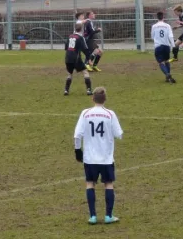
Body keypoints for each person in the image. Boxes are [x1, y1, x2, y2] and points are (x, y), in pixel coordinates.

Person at [74, 87, 123, 225]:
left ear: (92, 98)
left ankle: (93, 216)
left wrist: (78, 151)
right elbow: (119, 134)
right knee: (108, 184)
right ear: (105, 99)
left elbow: (77, 135)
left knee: (90, 183)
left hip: (90, 157)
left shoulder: (85, 113)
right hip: (106, 157)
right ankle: (108, 216)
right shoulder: (110, 114)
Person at [64, 23, 93, 96]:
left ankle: (66, 90)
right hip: (76, 58)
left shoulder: (69, 36)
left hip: (67, 58)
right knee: (85, 72)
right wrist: (89, 59)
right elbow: (85, 49)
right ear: (81, 29)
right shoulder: (80, 37)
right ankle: (89, 90)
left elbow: (66, 48)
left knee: (69, 73)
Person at [151, 11, 176, 83]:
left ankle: (167, 74)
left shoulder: (154, 26)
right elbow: (171, 36)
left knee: (161, 63)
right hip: (166, 46)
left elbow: (152, 37)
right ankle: (168, 78)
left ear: (157, 17)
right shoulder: (167, 26)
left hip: (158, 46)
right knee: (167, 61)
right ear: (163, 17)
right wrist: (173, 46)